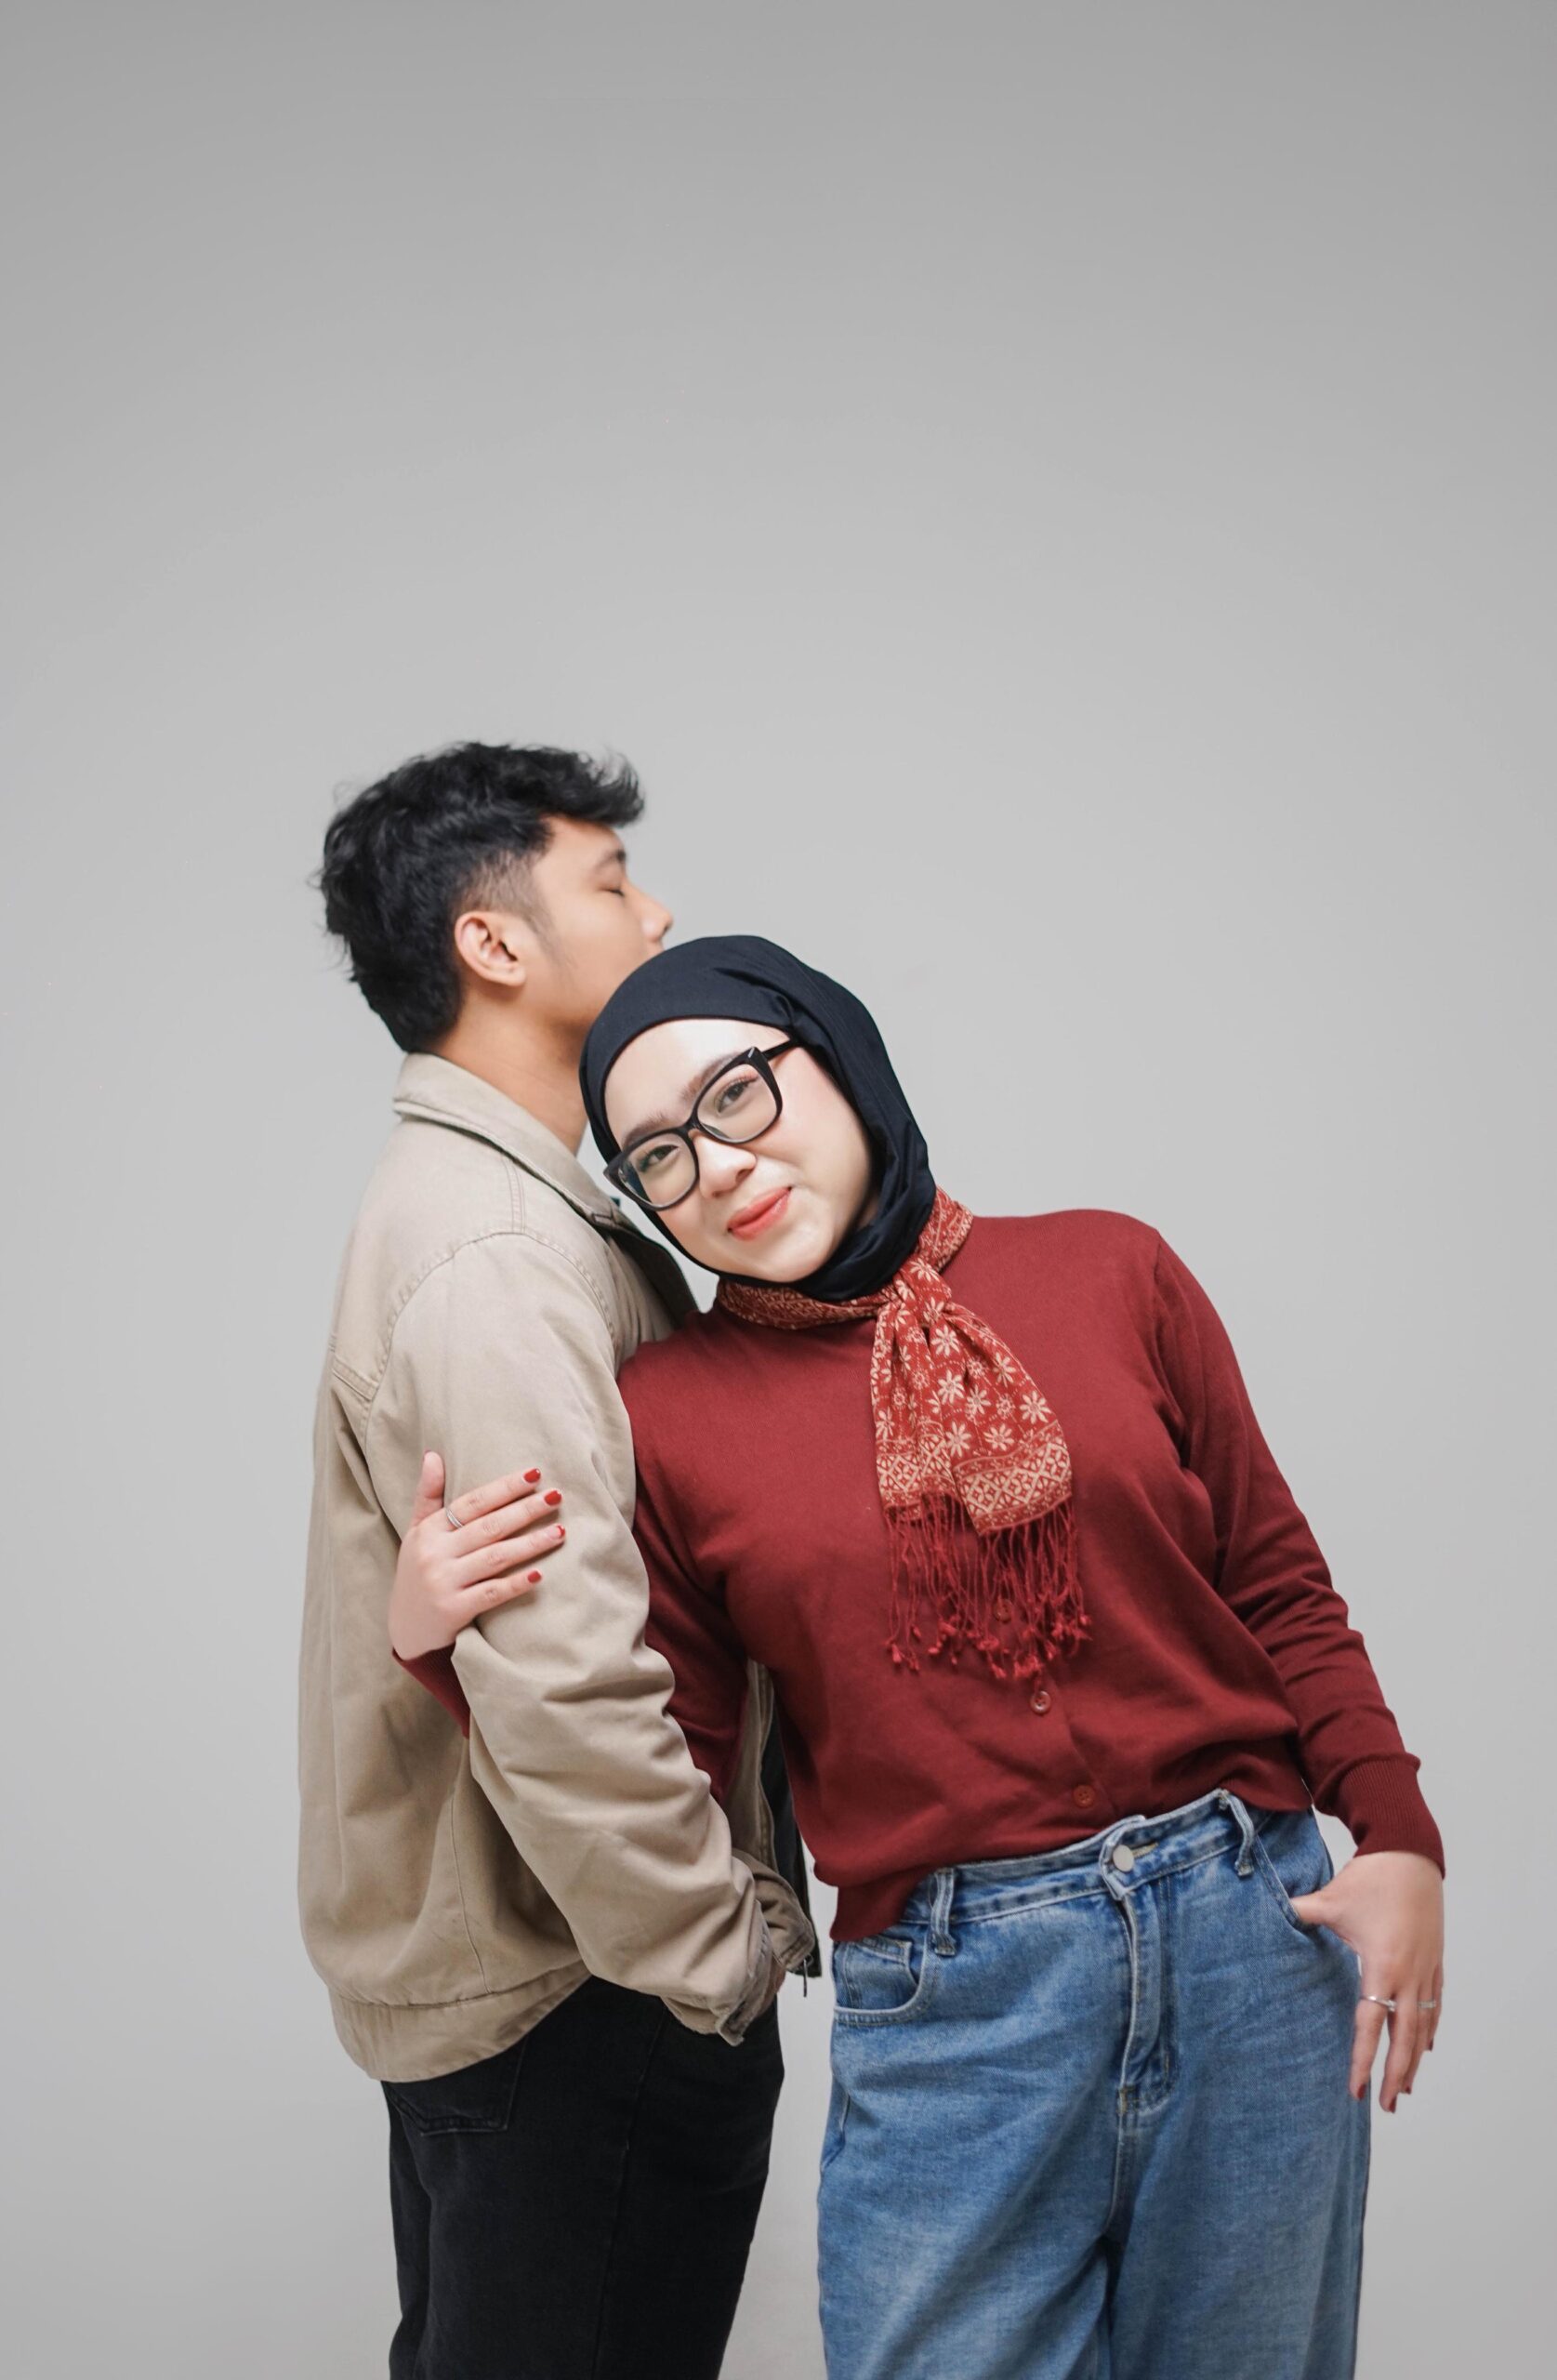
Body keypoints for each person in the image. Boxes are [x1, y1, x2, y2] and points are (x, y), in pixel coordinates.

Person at [396, 933, 1446, 2380]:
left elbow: (1274, 1580)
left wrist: (1398, 1836)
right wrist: (445, 1652)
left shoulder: (1113, 1266)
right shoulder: (672, 1414)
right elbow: (674, 1761)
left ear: (839, 1055)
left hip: (1251, 1934)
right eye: (659, 1158)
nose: (719, 1168)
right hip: (959, 2000)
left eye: (738, 1094)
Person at [297, 752, 818, 2380]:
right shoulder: (496, 1255)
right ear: (495, 943)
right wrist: (718, 1959)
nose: (655, 914)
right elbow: (564, 1673)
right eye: (609, 881)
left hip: (541, 1972)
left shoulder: (504, 1215)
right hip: (582, 1991)